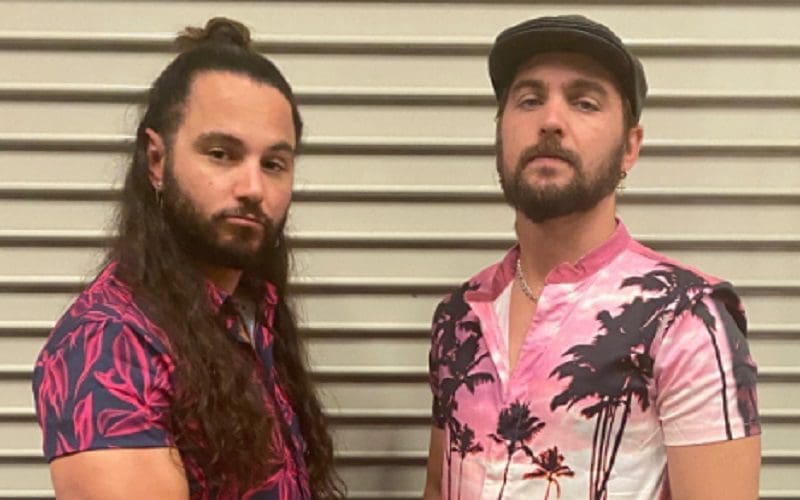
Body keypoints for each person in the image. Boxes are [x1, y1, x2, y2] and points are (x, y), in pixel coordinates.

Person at [423, 15, 761, 500]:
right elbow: (439, 487)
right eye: (529, 100)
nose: (550, 120)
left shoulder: (686, 319)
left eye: (584, 102)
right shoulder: (459, 317)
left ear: (630, 148)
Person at [32, 17, 344, 499]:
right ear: (157, 161)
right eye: (221, 154)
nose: (253, 188)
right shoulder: (109, 346)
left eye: (273, 164)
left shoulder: (250, 308)